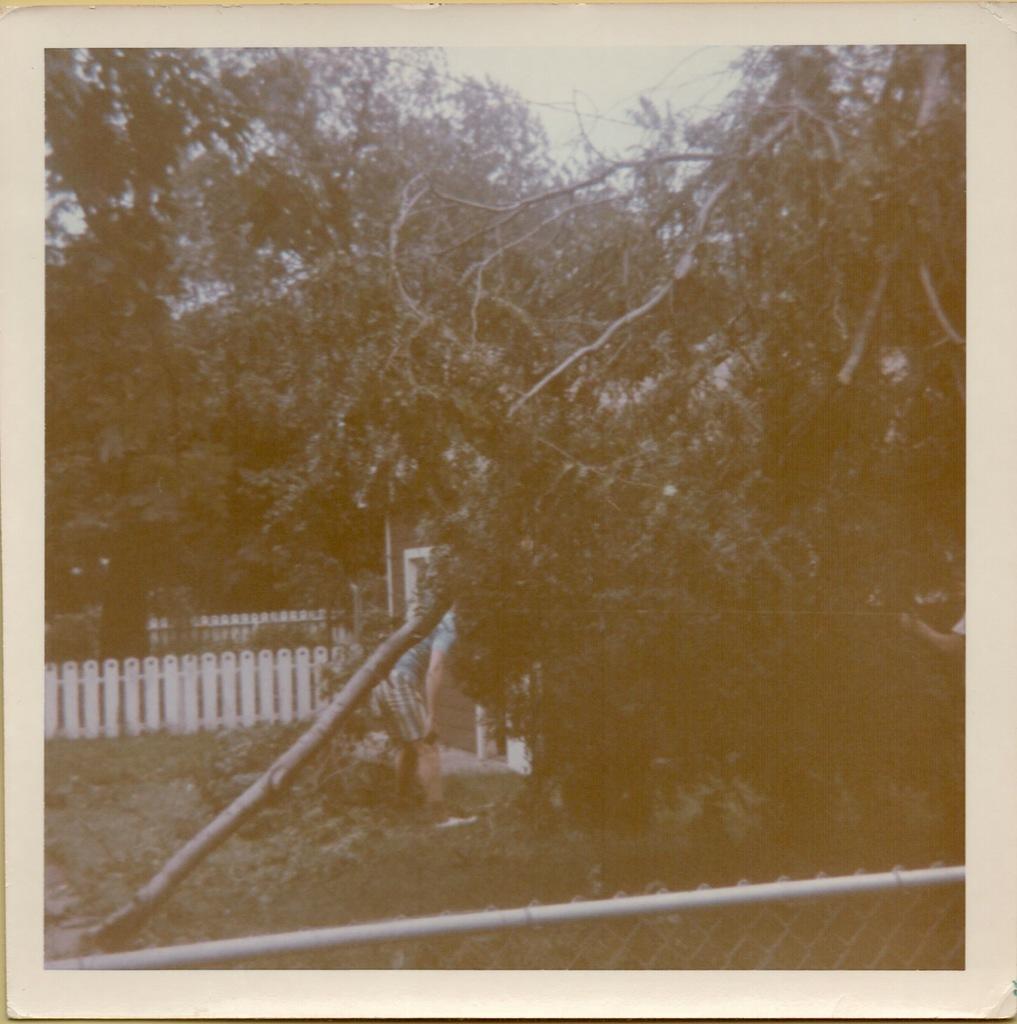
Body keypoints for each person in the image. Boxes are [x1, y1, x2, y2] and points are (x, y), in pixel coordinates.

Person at [371, 608, 476, 827]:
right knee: (428, 747)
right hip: (399, 681)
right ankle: (440, 817)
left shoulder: (431, 617)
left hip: (381, 683)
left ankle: (401, 807)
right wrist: (432, 715)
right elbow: (434, 669)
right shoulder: (449, 624)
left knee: (408, 747)